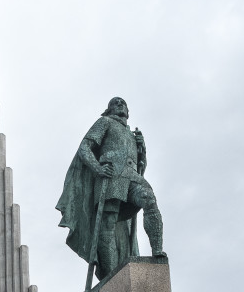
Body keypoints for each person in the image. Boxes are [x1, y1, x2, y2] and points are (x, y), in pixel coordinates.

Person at [56, 97, 165, 279]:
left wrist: (142, 151)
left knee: (149, 200)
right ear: (109, 109)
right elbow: (85, 147)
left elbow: (141, 167)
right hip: (111, 175)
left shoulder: (132, 135)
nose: (121, 105)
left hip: (131, 175)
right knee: (108, 223)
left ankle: (157, 250)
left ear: (128, 112)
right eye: (116, 103)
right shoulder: (105, 122)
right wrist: (98, 168)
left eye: (123, 103)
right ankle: (112, 275)